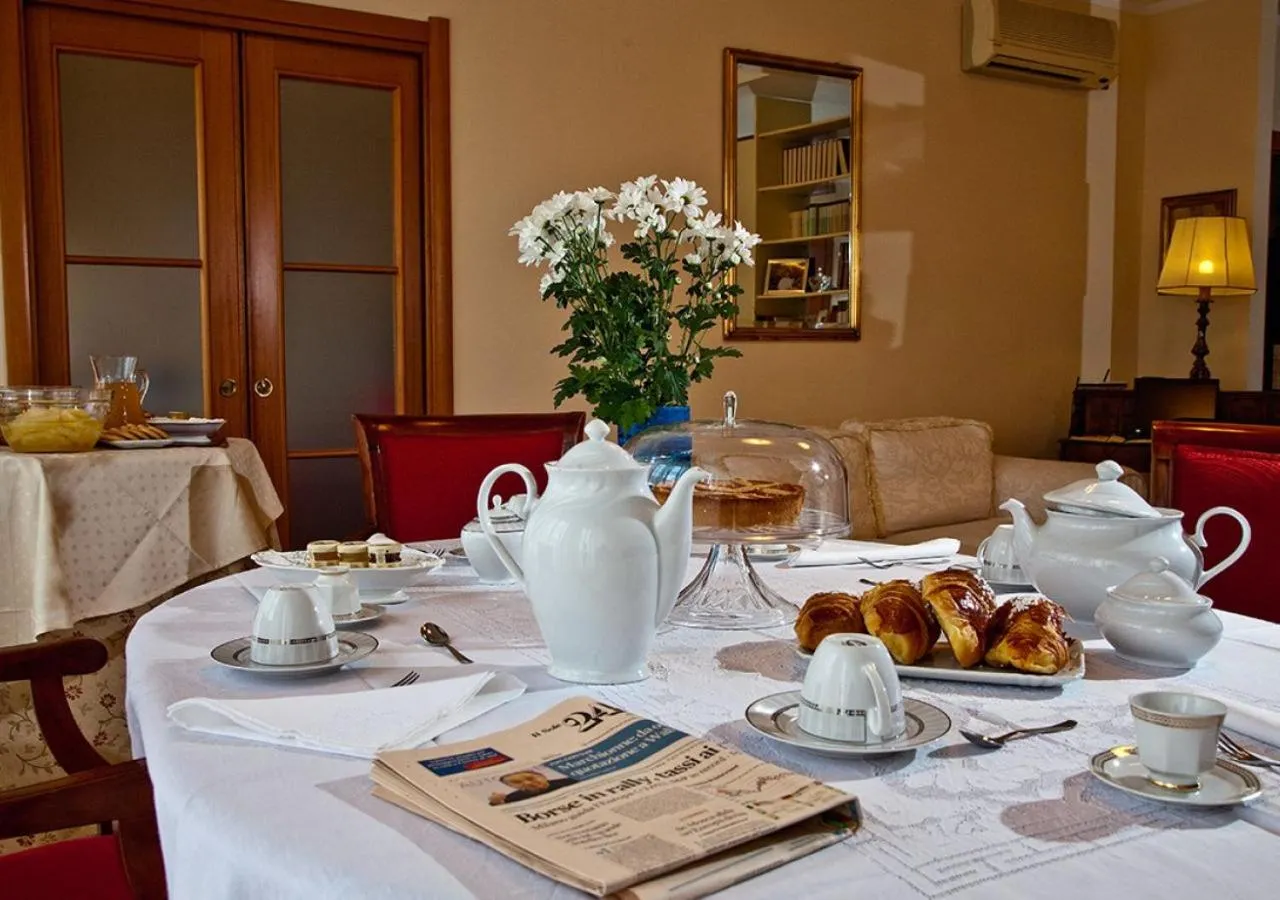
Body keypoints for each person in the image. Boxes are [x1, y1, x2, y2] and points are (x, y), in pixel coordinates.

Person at [487, 770, 578, 805]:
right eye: (517, 782)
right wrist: (496, 803)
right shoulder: (511, 798)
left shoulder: (570, 781)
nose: (527, 783)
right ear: (511, 786)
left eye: (530, 778)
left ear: (542, 776)